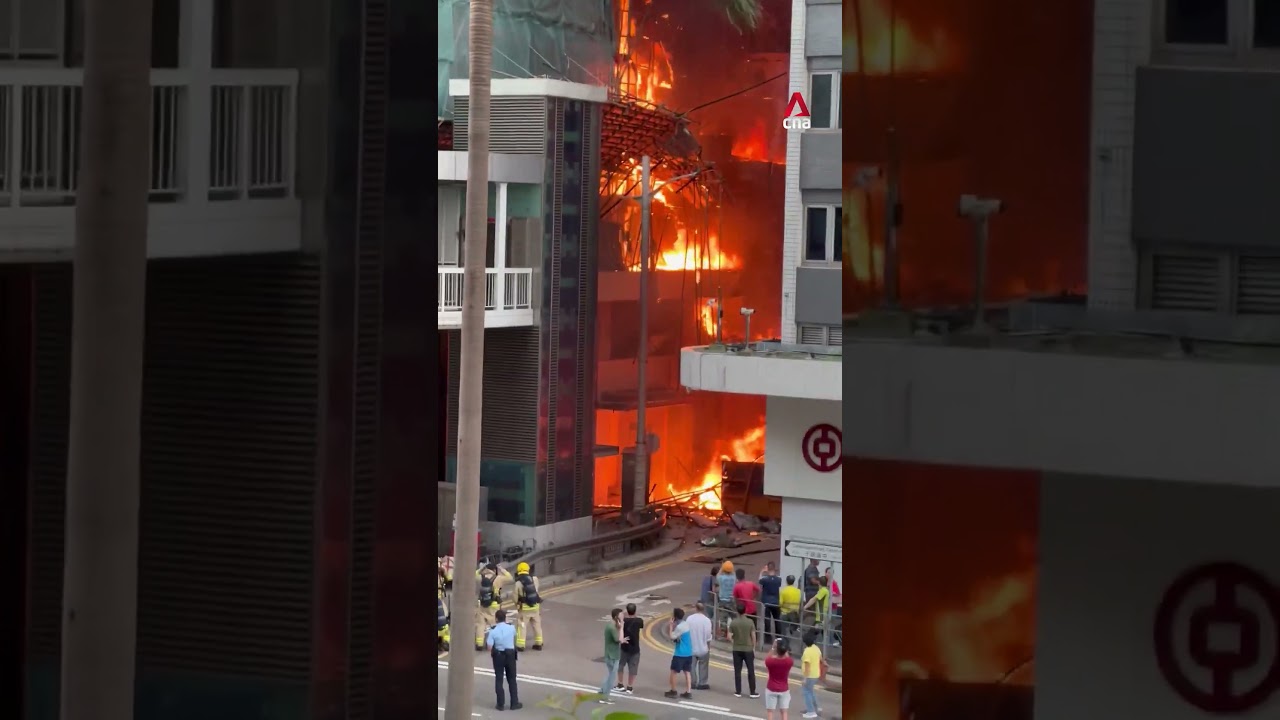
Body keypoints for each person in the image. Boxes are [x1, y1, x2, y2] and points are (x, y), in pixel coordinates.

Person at [486, 609, 522, 710]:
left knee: (499, 679)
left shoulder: (493, 631)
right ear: (505, 618)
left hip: (499, 656)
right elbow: (515, 637)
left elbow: (489, 647)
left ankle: (500, 704)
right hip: (510, 655)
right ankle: (514, 703)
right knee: (512, 679)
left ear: (496, 619)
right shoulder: (511, 628)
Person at [475, 561, 512, 650]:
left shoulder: (481, 577)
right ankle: (493, 643)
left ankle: (479, 644)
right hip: (494, 605)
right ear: (494, 570)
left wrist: (481, 569)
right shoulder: (498, 578)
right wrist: (502, 569)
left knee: (480, 624)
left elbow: (475, 574)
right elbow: (510, 578)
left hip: (482, 604)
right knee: (495, 624)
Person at [728, 601, 760, 698]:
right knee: (751, 670)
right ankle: (752, 692)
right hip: (748, 649)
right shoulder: (750, 622)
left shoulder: (733, 622)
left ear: (737, 611)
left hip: (737, 649)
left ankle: (738, 691)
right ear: (745, 611)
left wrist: (734, 642)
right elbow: (753, 635)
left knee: (737, 670)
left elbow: (729, 636)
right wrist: (753, 647)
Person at [513, 562, 544, 650]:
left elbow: (515, 596)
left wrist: (517, 604)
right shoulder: (535, 579)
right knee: (537, 625)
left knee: (522, 625)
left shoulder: (518, 583)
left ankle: (520, 645)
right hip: (535, 606)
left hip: (524, 608)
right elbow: (536, 590)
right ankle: (539, 643)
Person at [665, 607, 695, 700]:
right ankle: (688, 691)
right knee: (687, 672)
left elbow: (672, 637)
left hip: (680, 653)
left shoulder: (679, 627)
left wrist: (670, 626)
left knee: (674, 672)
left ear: (675, 617)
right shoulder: (686, 624)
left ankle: (673, 691)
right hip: (688, 652)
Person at [615, 603, 644, 694]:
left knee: (620, 665)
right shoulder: (639, 621)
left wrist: (624, 613)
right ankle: (630, 687)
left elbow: (618, 623)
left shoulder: (624, 621)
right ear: (635, 611)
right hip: (635, 648)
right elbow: (641, 626)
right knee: (633, 668)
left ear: (627, 611)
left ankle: (620, 684)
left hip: (624, 647)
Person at [600, 607, 626, 705]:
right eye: (621, 615)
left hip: (611, 654)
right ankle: (604, 697)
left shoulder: (611, 625)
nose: (623, 616)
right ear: (616, 617)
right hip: (612, 656)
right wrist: (622, 627)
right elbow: (619, 639)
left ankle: (602, 692)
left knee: (610, 675)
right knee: (611, 677)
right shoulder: (612, 627)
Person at [764, 638, 794, 720]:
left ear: (777, 649)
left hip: (771, 688)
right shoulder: (789, 662)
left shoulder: (770, 661)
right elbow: (786, 656)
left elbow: (767, 658)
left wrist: (773, 647)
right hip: (784, 689)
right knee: (784, 712)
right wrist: (784, 648)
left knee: (770, 712)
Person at [687, 600, 714, 690]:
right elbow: (708, 636)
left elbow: (686, 632)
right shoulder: (707, 621)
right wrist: (708, 647)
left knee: (691, 666)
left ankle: (692, 682)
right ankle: (702, 683)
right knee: (703, 666)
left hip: (691, 647)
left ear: (695, 608)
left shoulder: (689, 619)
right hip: (703, 648)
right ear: (703, 609)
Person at [800, 630, 826, 718]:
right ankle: (817, 708)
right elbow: (821, 659)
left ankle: (811, 711)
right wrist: (825, 664)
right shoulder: (816, 648)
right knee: (811, 691)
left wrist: (804, 678)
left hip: (810, 676)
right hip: (816, 674)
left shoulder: (807, 651)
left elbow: (807, 666)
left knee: (806, 692)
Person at [759, 563, 783, 643]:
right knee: (777, 620)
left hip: (766, 602)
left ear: (768, 569)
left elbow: (759, 581)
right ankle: (778, 637)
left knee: (767, 620)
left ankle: (768, 638)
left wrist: (762, 571)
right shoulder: (779, 579)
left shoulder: (765, 579)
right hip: (776, 602)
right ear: (774, 569)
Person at [715, 561, 738, 637]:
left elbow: (717, 575)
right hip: (731, 599)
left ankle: (723, 634)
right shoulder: (733, 578)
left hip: (723, 600)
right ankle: (735, 632)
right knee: (734, 616)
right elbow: (734, 573)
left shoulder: (721, 578)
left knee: (723, 618)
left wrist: (722, 568)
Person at [779, 575, 802, 640]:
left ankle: (784, 640)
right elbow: (800, 601)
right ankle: (791, 630)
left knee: (783, 628)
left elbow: (780, 603)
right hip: (794, 612)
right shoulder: (798, 591)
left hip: (784, 612)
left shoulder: (783, 591)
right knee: (794, 624)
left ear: (786, 581)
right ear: (794, 581)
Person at [437, 587, 450, 652]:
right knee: (446, 629)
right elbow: (446, 614)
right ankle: (446, 642)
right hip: (444, 628)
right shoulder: (440, 601)